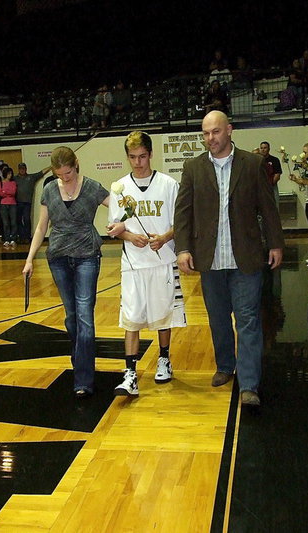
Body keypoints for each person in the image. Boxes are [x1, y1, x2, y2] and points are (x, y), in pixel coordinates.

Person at [174, 111, 284, 407]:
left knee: (248, 319)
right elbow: (183, 212)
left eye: (216, 132)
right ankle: (225, 366)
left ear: (229, 131)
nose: (211, 138)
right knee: (218, 319)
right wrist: (183, 248)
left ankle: (249, 384)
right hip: (209, 260)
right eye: (206, 133)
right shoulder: (193, 167)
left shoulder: (253, 164)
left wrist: (275, 243)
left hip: (246, 257)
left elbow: (268, 207)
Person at [22, 146, 111, 397]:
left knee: (84, 314)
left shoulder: (92, 187)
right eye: (60, 174)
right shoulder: (49, 190)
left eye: (68, 173)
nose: (65, 178)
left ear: (76, 164)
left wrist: (121, 223)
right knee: (71, 316)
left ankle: (83, 379)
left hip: (87, 257)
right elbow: (41, 227)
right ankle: (80, 356)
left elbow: (118, 205)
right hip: (58, 258)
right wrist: (29, 259)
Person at [107, 131, 186, 397]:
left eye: (142, 156)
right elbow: (114, 227)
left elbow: (181, 222)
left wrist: (164, 237)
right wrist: (130, 235)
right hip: (133, 262)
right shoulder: (119, 187)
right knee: (131, 317)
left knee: (163, 313)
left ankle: (164, 359)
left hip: (163, 260)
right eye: (132, 157)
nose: (138, 162)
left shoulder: (168, 184)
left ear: (151, 154)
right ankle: (130, 373)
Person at [15, 162, 50, 244]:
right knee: (19, 220)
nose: (22, 170)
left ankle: (27, 237)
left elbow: (41, 172)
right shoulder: (15, 178)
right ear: (18, 169)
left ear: (25, 169)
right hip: (17, 202)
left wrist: (51, 167)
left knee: (27, 219)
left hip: (27, 202)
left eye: (23, 168)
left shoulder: (31, 177)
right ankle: (21, 237)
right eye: (20, 169)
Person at [0, 166, 18, 247]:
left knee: (13, 222)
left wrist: (5, 192)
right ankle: (6, 239)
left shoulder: (13, 183)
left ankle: (13, 238)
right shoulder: (0, 183)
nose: (10, 175)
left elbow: (13, 192)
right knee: (5, 223)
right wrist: (6, 193)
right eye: (8, 173)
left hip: (12, 203)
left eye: (11, 174)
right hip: (3, 204)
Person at [259, 141, 282, 207]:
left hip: (272, 187)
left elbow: (277, 175)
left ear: (269, 149)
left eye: (265, 148)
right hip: (260, 188)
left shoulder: (275, 160)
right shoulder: (256, 161)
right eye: (261, 148)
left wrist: (269, 185)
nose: (263, 150)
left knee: (274, 207)